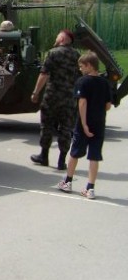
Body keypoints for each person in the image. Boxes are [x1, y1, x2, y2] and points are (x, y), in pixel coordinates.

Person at [57, 51, 113, 199]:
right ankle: (90, 188)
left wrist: (84, 124)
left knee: (75, 153)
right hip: (99, 123)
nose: (80, 69)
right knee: (94, 156)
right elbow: (108, 106)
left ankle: (68, 181)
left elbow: (82, 102)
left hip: (84, 124)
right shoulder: (105, 83)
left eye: (81, 66)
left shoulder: (82, 82)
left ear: (89, 65)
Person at [29, 29, 80, 169]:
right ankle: (61, 161)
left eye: (58, 36)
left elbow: (44, 74)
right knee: (66, 128)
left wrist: (35, 92)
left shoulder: (53, 53)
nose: (56, 38)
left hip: (52, 96)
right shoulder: (77, 55)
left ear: (62, 39)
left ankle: (43, 156)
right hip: (69, 97)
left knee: (47, 125)